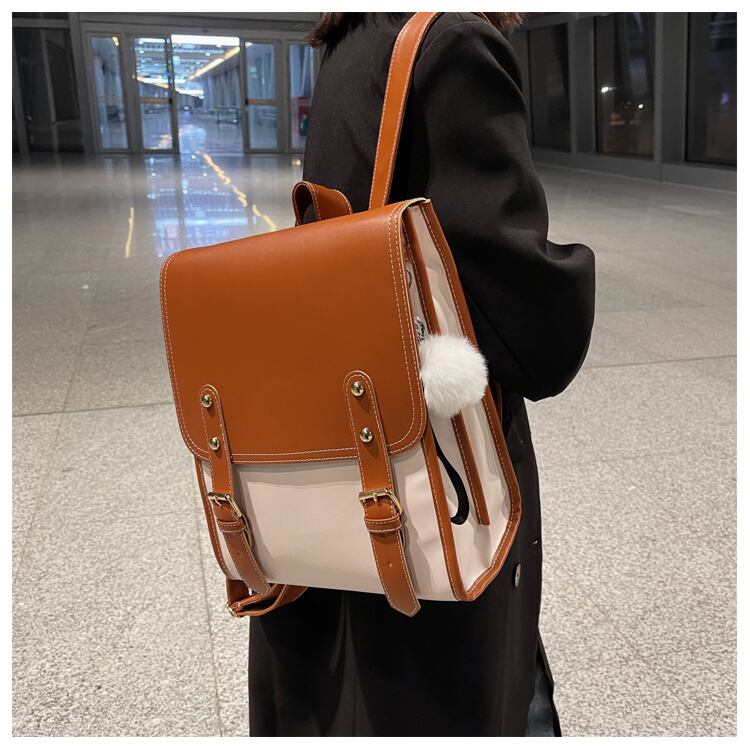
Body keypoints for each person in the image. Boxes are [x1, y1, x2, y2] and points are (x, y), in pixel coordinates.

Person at [248, 12, 595, 736]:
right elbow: (533, 335)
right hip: (432, 471)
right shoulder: (453, 43)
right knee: (471, 672)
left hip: (353, 429)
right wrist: (571, 273)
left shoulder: (351, 39)